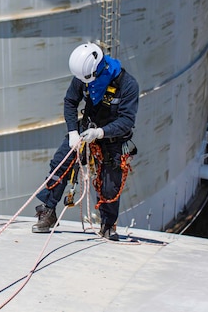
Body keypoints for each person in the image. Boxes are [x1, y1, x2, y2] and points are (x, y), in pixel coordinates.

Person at [32, 42, 139, 240]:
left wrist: (100, 133)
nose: (84, 84)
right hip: (85, 130)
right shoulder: (84, 77)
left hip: (111, 138)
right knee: (60, 164)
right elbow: (70, 101)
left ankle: (108, 224)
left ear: (99, 69)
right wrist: (73, 131)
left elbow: (126, 120)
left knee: (109, 183)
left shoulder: (127, 85)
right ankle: (48, 211)